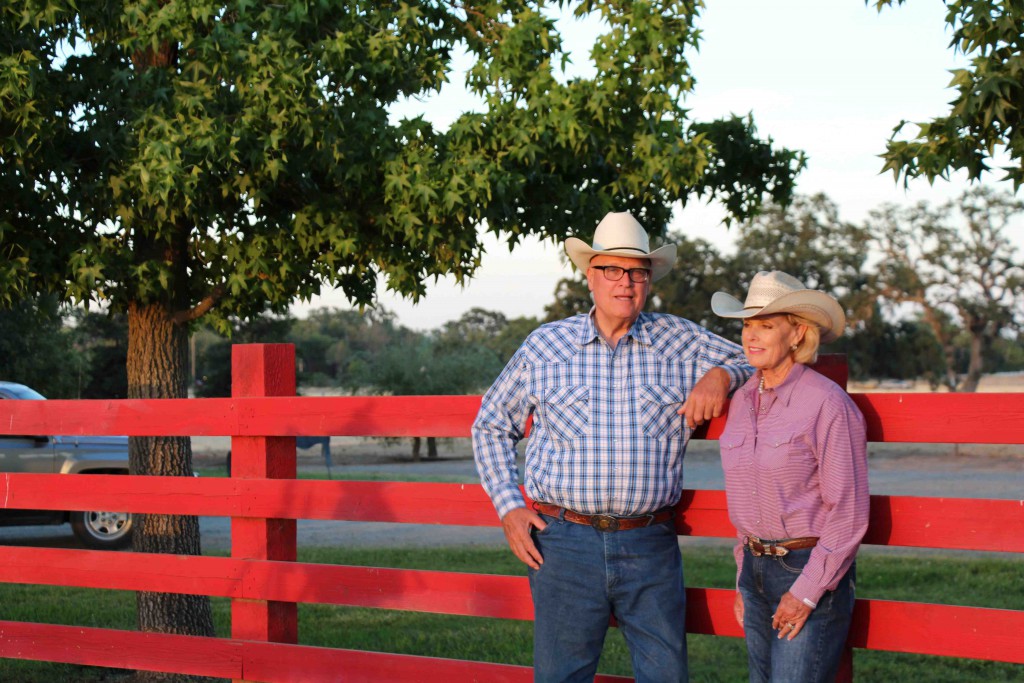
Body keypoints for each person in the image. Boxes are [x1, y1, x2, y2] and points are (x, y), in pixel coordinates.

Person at [472, 211, 753, 683]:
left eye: (638, 272)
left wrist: (721, 375)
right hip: (563, 542)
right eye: (613, 270)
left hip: (650, 542)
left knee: (666, 674)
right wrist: (508, 507)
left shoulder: (679, 339)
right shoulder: (546, 346)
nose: (626, 283)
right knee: (562, 676)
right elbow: (490, 425)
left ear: (649, 281)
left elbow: (754, 355)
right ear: (591, 276)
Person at [711, 270, 869, 682]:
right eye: (748, 325)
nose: (752, 336)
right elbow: (749, 499)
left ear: (798, 333)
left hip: (807, 568)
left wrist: (805, 593)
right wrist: (744, 575)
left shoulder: (827, 404)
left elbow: (848, 513)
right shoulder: (742, 401)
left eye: (767, 326)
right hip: (755, 570)